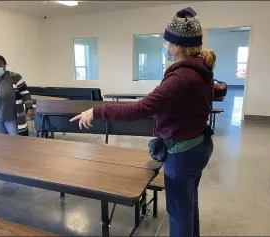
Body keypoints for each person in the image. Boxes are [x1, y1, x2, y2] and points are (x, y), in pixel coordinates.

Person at [70, 7, 216, 237]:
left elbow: (142, 108)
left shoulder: (182, 77)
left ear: (177, 45)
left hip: (183, 153)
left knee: (179, 211)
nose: (165, 45)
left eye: (167, 41)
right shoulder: (200, 69)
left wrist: (98, 111)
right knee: (188, 205)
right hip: (198, 146)